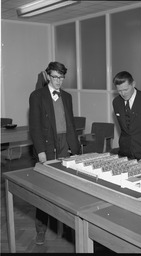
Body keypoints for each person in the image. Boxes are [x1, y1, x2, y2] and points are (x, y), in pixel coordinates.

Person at [29, 61, 81, 245]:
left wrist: (75, 149)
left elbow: (71, 124)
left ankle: (68, 229)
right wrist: (41, 152)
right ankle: (41, 230)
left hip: (65, 144)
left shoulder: (67, 96)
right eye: (55, 77)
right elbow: (34, 127)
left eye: (61, 77)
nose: (58, 81)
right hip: (47, 145)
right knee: (45, 191)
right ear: (48, 76)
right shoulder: (37, 96)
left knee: (67, 189)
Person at [112, 71, 141, 161]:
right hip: (125, 153)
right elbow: (125, 129)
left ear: (133, 84)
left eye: (126, 90)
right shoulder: (116, 102)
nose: (123, 94)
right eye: (119, 91)